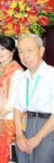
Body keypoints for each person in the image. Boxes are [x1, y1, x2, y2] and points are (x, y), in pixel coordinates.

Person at [14, 34, 54, 163]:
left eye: (29, 50)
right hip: (26, 125)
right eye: (21, 52)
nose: (25, 56)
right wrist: (19, 135)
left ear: (41, 51)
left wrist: (38, 137)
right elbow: (17, 108)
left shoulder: (51, 75)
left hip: (47, 128)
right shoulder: (21, 77)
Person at [0, 36, 23, 163]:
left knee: (4, 157)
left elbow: (13, 99)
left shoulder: (17, 71)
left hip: (7, 121)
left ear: (12, 51)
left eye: (2, 49)